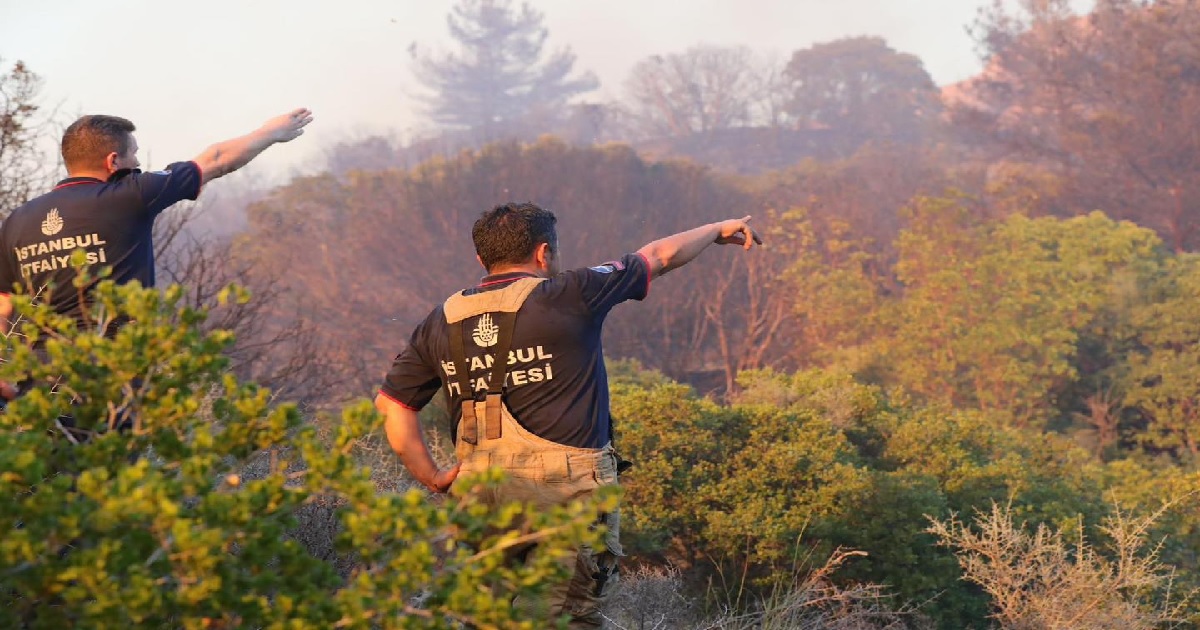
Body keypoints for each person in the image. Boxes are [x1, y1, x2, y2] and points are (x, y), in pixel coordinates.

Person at [373, 201, 762, 626]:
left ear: (481, 259)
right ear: (544, 253)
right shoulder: (569, 294)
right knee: (565, 616)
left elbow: (392, 404)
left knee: (486, 617)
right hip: (564, 493)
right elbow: (659, 256)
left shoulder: (440, 320)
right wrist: (715, 228)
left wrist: (431, 476)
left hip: (480, 492)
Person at [0, 108, 313, 403]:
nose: (137, 161)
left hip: (40, 385)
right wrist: (270, 133)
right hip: (114, 375)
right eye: (133, 153)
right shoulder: (131, 194)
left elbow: (2, 307)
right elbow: (215, 160)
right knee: (111, 459)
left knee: (53, 459)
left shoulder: (17, 220)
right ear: (113, 160)